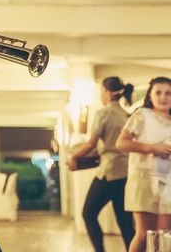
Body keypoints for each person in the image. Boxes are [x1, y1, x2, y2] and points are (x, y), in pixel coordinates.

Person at [67, 76, 135, 252]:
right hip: (126, 173)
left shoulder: (103, 113)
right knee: (125, 223)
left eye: (101, 91)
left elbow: (90, 144)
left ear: (109, 92)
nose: (100, 95)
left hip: (109, 171)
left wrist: (74, 156)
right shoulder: (127, 115)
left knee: (88, 214)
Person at [116, 76, 171, 252]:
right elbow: (121, 143)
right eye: (159, 92)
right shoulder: (142, 115)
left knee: (164, 235)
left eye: (168, 93)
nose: (164, 97)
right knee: (144, 234)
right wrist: (152, 148)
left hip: (168, 183)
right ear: (150, 95)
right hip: (143, 180)